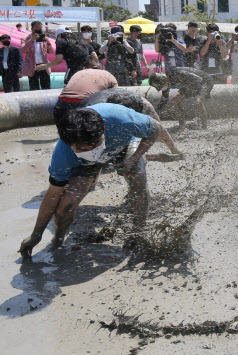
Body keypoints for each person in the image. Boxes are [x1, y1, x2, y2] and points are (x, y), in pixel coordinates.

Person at [18, 104, 169, 259]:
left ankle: (138, 231)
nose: (91, 151)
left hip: (123, 144)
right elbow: (53, 195)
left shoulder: (124, 121)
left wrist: (134, 158)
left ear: (103, 130)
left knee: (137, 178)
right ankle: (57, 240)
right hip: (85, 163)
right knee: (66, 205)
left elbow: (156, 129)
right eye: (82, 149)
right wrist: (36, 235)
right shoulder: (63, 153)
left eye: (94, 145)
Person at [80, 88, 182, 157]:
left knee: (153, 126)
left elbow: (159, 128)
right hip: (93, 105)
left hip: (126, 98)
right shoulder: (96, 114)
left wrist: (174, 151)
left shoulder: (144, 105)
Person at [149, 67, 214, 129]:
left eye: (163, 85)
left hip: (204, 81)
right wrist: (155, 114)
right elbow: (164, 100)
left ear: (163, 79)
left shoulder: (177, 73)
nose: (165, 87)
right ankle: (182, 125)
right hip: (190, 84)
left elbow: (198, 80)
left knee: (198, 102)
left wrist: (197, 95)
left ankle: (204, 127)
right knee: (175, 100)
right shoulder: (165, 83)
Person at [52, 62, 117, 123]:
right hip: (85, 104)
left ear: (84, 68)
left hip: (61, 104)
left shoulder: (78, 73)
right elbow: (116, 96)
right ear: (101, 68)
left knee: (65, 132)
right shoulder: (107, 74)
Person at [21, 21, 53, 91]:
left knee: (46, 87)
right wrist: (31, 40)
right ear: (32, 29)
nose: (38, 32)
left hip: (43, 65)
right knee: (34, 88)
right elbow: (23, 50)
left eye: (40, 30)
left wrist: (48, 42)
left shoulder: (44, 38)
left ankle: (47, 101)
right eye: (37, 30)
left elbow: (51, 52)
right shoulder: (25, 38)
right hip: (32, 66)